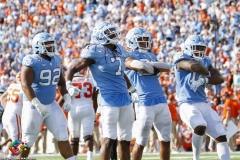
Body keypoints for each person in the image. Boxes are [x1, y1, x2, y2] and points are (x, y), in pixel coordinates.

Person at [65, 21, 137, 160]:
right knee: (109, 139)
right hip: (108, 99)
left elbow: (121, 73)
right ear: (100, 36)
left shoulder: (120, 49)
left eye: (112, 31)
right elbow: (73, 68)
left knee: (125, 140)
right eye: (108, 32)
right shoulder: (95, 51)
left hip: (126, 98)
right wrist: (69, 84)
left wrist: (132, 90)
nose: (113, 34)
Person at [173, 34, 230, 160]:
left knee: (221, 135)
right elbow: (194, 66)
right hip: (187, 103)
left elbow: (220, 78)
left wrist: (204, 80)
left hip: (203, 103)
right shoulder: (181, 58)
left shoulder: (205, 60)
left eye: (201, 48)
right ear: (188, 48)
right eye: (196, 48)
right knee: (200, 125)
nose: (199, 51)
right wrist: (209, 74)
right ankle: (196, 158)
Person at [19, 32, 74, 159]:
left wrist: (66, 97)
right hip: (33, 106)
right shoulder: (31, 60)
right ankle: (14, 155)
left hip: (51, 104)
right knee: (27, 140)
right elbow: (25, 85)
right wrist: (37, 105)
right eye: (47, 45)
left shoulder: (56, 60)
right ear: (38, 46)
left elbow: (61, 82)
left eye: (51, 44)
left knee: (63, 135)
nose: (51, 47)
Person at [124, 27, 172, 160]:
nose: (145, 42)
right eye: (141, 40)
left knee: (166, 139)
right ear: (132, 42)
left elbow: (167, 67)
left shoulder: (150, 55)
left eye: (146, 40)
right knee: (141, 141)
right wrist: (149, 66)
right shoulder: (126, 54)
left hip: (161, 100)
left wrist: (149, 64)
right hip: (143, 101)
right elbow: (137, 64)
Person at [67, 69, 97, 160]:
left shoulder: (70, 82)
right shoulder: (91, 81)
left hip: (73, 109)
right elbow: (95, 100)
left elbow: (64, 98)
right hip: (87, 108)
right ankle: (90, 158)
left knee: (74, 138)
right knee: (88, 136)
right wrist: (94, 114)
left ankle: (74, 158)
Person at [1, 72, 23, 158]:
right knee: (21, 141)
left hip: (6, 114)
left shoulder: (12, 86)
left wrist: (7, 109)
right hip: (15, 115)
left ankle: (5, 152)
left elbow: (2, 97)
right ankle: (11, 157)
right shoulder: (25, 88)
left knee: (14, 138)